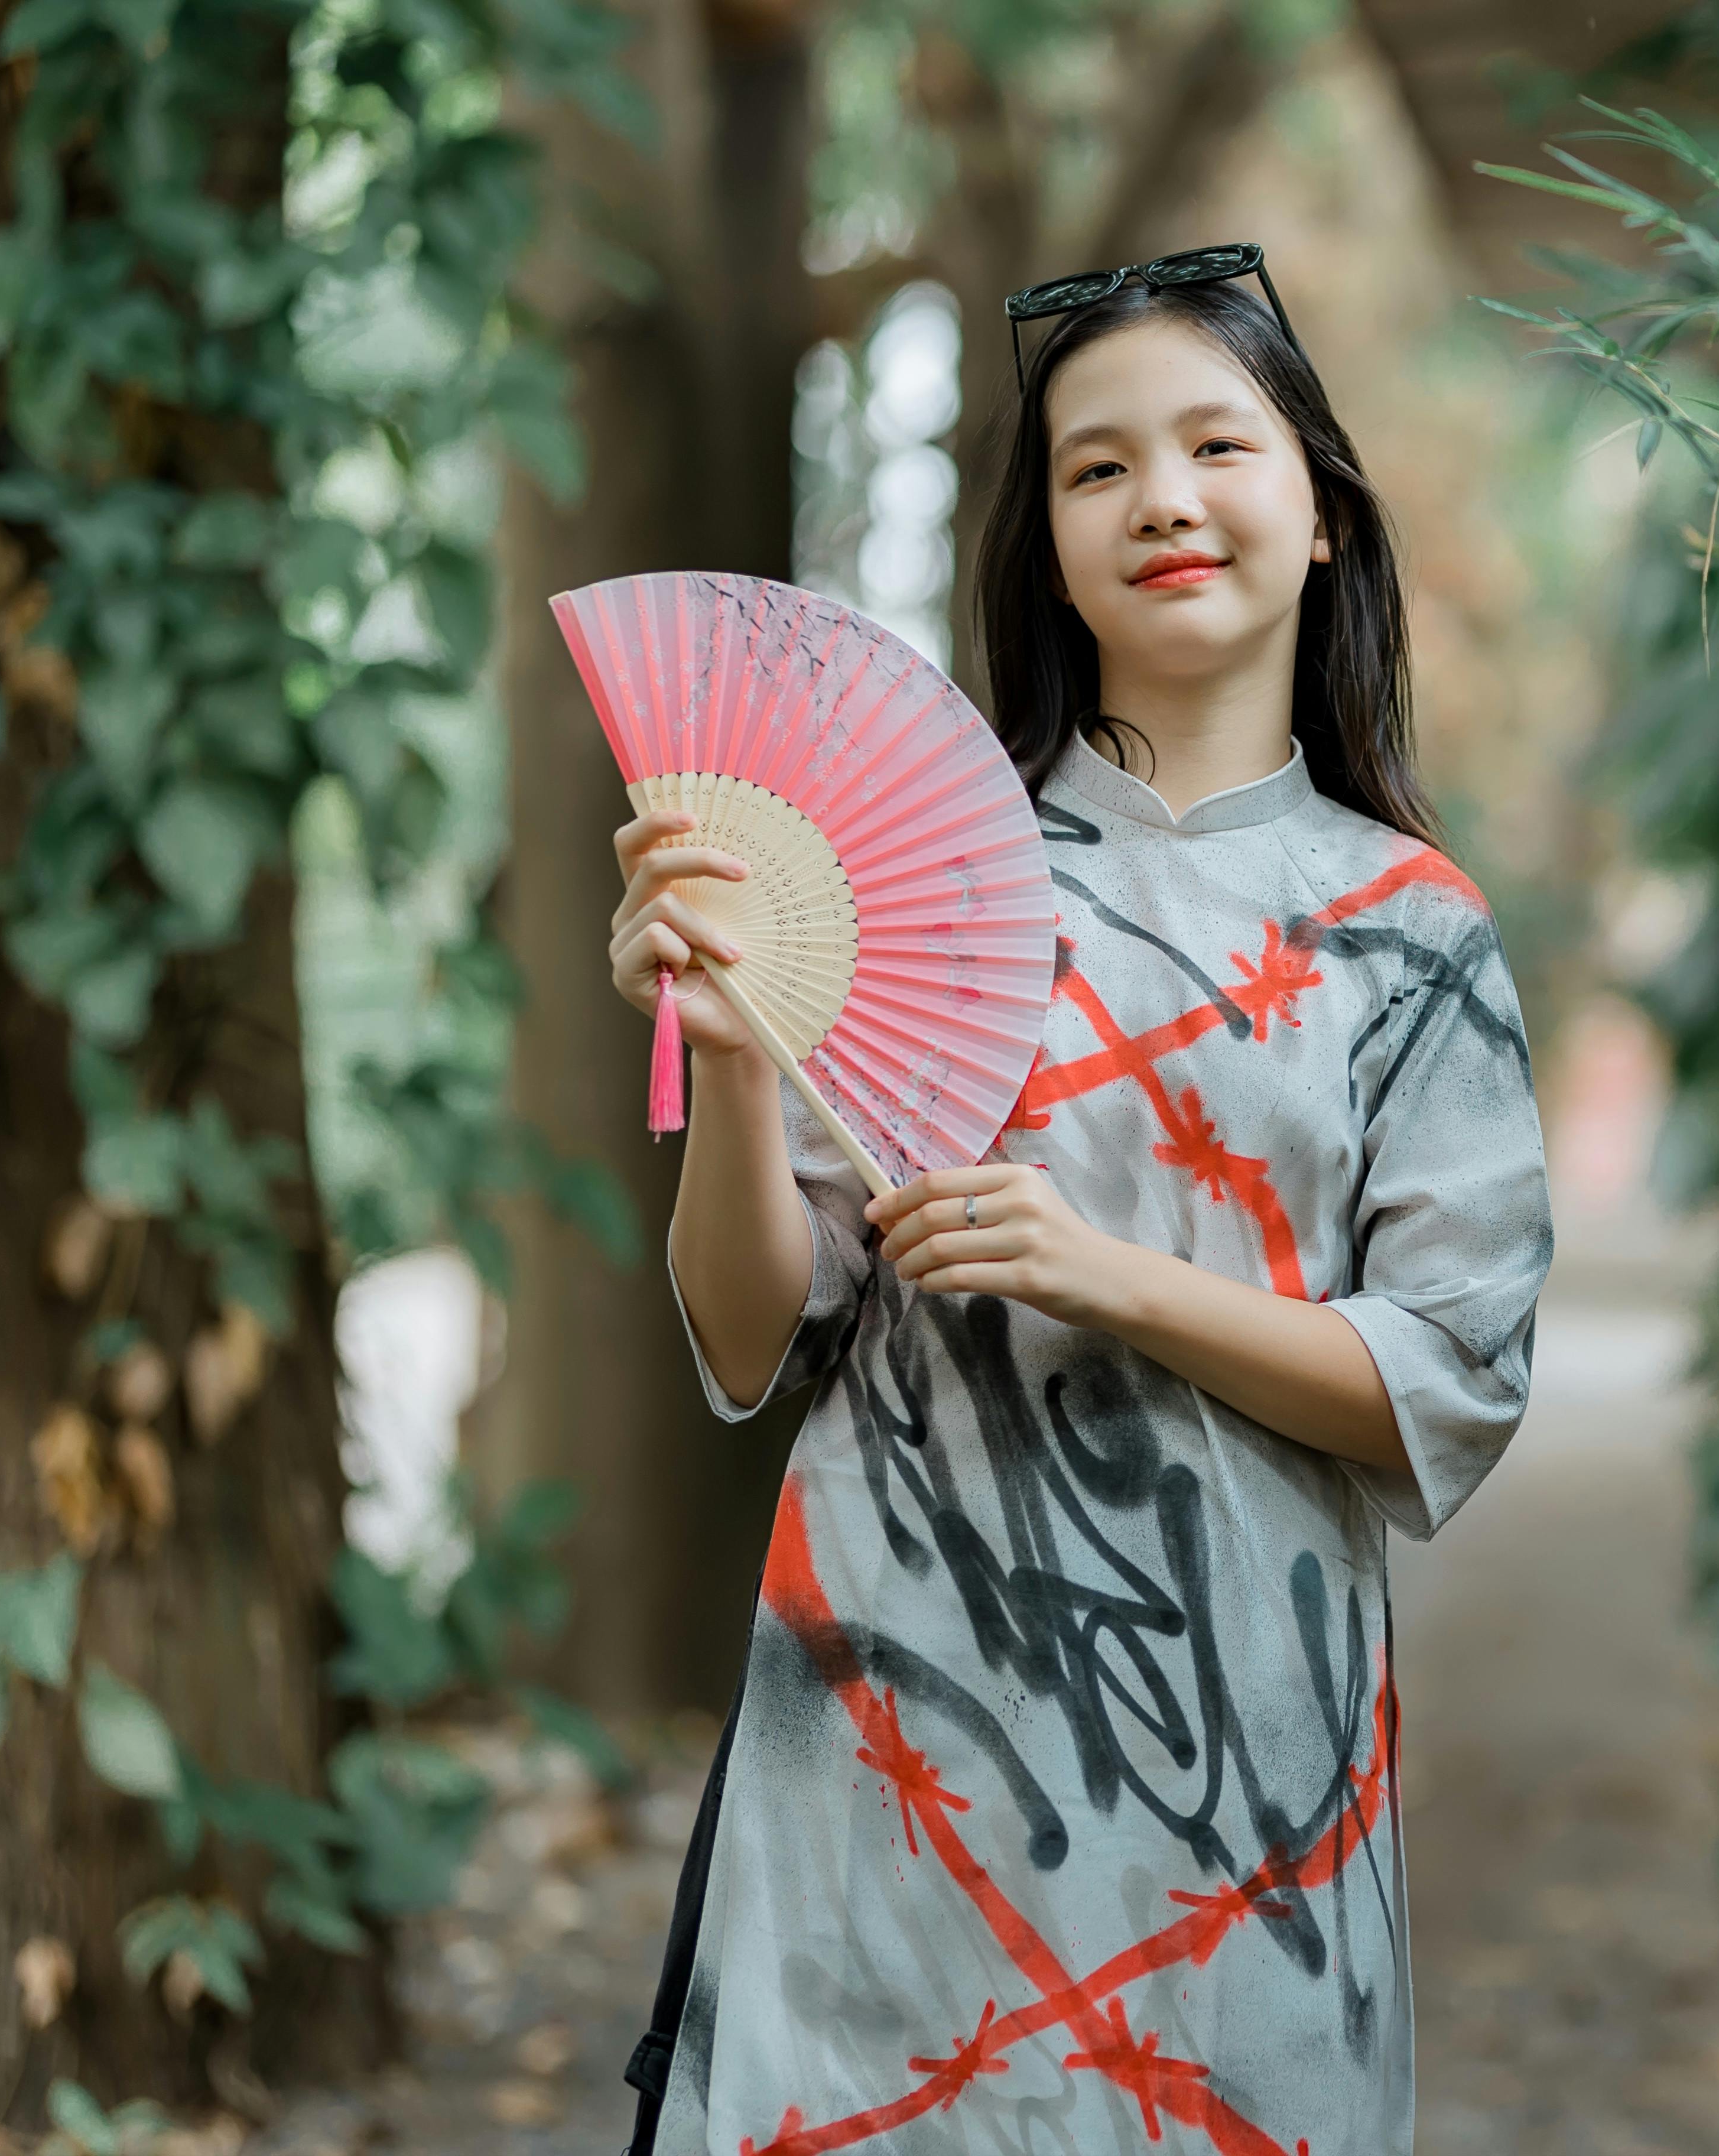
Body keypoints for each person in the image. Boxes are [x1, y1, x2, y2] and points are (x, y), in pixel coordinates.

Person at [602, 247, 1552, 2155]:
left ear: (1323, 517)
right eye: (1097, 468)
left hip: (1242, 1757)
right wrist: (731, 1054)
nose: (1164, 501)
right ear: (1044, 540)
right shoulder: (914, 878)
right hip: (887, 1718)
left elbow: (1447, 1383)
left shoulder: (1412, 935)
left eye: (1217, 444)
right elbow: (742, 1331)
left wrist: (1105, 1276)